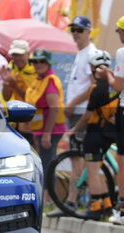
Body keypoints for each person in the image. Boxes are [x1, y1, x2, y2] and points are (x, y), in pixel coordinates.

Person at [48, 15, 97, 217]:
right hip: (77, 112)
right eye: (73, 30)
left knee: (78, 159)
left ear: (88, 31)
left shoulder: (91, 53)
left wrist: (72, 104)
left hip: (82, 112)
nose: (75, 34)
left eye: (79, 30)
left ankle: (72, 203)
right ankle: (74, 202)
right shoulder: (82, 52)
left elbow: (95, 86)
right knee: (78, 158)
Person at [67, 49, 117, 220]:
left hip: (94, 133)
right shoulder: (113, 86)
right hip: (108, 133)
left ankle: (96, 208)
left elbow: (88, 115)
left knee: (93, 171)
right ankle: (107, 205)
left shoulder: (95, 88)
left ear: (94, 68)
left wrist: (75, 129)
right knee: (96, 169)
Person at [25, 49, 67, 205]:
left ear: (48, 63)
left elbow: (54, 108)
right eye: (35, 61)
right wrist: (37, 132)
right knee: (45, 162)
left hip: (52, 129)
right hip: (41, 129)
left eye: (42, 61)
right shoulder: (39, 79)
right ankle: (47, 198)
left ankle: (48, 199)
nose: (38, 64)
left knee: (47, 164)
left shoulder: (50, 80)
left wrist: (47, 134)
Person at [97, 15, 124, 225]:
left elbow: (118, 87)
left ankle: (122, 210)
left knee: (122, 163)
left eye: (118, 31)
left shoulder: (122, 53)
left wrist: (107, 75)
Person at [0, 39, 37, 146]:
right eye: (14, 55)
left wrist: (14, 84)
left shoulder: (35, 70)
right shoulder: (11, 68)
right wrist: (7, 83)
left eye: (20, 55)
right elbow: (6, 97)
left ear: (28, 54)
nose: (17, 58)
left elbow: (30, 99)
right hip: (15, 118)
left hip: (33, 121)